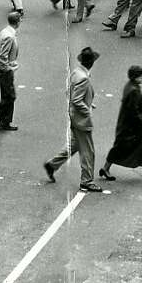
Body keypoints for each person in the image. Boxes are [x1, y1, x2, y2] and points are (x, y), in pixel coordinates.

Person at [44, 47, 100, 192]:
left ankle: (52, 164)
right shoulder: (84, 78)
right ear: (91, 63)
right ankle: (86, 181)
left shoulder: (76, 73)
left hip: (74, 117)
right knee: (88, 151)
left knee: (74, 145)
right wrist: (86, 109)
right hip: (81, 120)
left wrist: (87, 103)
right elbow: (76, 99)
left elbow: (70, 92)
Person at [99, 65, 142, 183]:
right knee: (121, 148)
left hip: (128, 125)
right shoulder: (134, 90)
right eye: (140, 76)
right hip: (131, 127)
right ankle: (105, 168)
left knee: (141, 145)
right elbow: (134, 111)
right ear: (135, 77)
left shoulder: (130, 86)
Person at [0, 10, 21, 131]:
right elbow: (3, 55)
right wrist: (8, 68)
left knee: (6, 95)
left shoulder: (6, 31)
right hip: (4, 69)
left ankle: (4, 121)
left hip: (3, 68)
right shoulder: (9, 36)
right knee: (10, 96)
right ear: (17, 22)